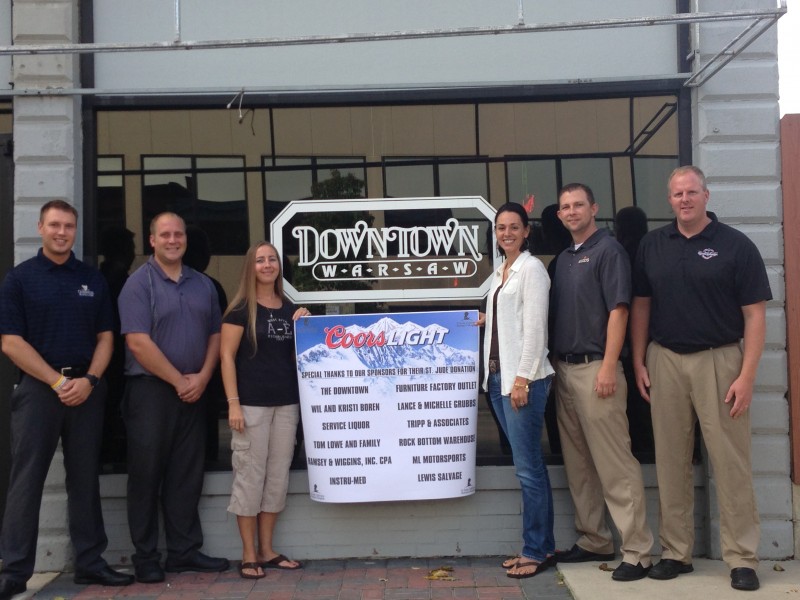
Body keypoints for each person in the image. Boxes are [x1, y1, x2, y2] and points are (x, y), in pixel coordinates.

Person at [630, 166, 770, 592]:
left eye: (692, 192)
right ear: (668, 199)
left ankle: (741, 557)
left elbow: (755, 315)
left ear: (706, 195)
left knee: (730, 463)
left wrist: (746, 375)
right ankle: (676, 552)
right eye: (677, 194)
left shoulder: (735, 246)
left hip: (720, 360)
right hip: (665, 360)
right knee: (670, 460)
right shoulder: (652, 245)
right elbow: (640, 307)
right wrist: (638, 360)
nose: (684, 199)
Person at [0, 200, 134, 600]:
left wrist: (91, 379)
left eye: (69, 226)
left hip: (87, 391)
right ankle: (15, 571)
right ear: (40, 227)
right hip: (41, 391)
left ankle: (91, 563)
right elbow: (10, 342)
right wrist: (57, 382)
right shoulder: (19, 280)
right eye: (55, 225)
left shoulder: (92, 279)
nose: (62, 232)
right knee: (26, 481)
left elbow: (107, 337)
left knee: (84, 478)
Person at [118, 212, 229, 583]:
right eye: (164, 234)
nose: (172, 240)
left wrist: (203, 375)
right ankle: (146, 555)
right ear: (152, 240)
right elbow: (137, 341)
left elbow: (216, 335)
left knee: (186, 474)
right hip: (151, 391)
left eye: (178, 234)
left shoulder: (203, 286)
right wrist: (178, 380)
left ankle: (183, 552)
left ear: (185, 239)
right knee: (146, 474)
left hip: (194, 389)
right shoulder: (138, 285)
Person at [550, 184, 653, 582]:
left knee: (615, 464)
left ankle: (638, 551)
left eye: (578, 205)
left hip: (598, 368)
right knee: (579, 464)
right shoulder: (562, 259)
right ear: (559, 215)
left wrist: (611, 364)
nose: (572, 211)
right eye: (565, 207)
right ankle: (594, 538)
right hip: (566, 370)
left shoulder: (609, 251)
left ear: (594, 208)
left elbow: (619, 310)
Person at [220, 242, 310, 579]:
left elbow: (299, 356)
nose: (267, 264)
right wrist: (233, 404)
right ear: (250, 267)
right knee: (249, 478)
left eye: (272, 259)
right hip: (250, 407)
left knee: (276, 478)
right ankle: (248, 553)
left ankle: (268, 549)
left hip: (286, 405)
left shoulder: (289, 308)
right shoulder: (240, 310)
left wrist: (305, 323)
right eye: (260, 260)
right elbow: (225, 357)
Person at [479, 202, 556, 579]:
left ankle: (536, 550)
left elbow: (536, 330)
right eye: (500, 228)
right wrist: (484, 318)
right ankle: (538, 545)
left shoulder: (532, 270)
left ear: (526, 231)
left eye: (513, 227)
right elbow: (508, 321)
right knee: (527, 468)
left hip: (521, 382)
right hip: (496, 380)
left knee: (529, 470)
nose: (506, 233)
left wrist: (522, 379)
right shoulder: (500, 273)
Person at [613, 207, 654, 455]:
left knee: (635, 405)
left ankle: (641, 449)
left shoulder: (624, 255)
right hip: (650, 342)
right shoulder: (649, 250)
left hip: (629, 344)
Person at [99, 226, 136, 464]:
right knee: (115, 408)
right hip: (117, 356)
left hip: (115, 355)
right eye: (131, 247)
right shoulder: (117, 280)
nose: (134, 252)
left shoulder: (103, 276)